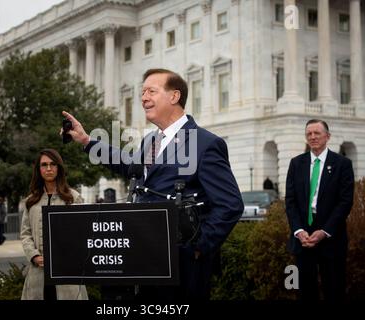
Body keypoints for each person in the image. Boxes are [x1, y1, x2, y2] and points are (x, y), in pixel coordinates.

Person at [62, 68, 243, 300]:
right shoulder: (151, 141)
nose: (143, 97)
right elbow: (129, 165)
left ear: (174, 96)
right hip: (146, 257)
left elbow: (230, 204)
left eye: (151, 91)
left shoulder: (205, 143)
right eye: (142, 92)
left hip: (184, 268)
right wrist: (87, 141)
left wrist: (197, 248)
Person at [285, 119, 354, 301]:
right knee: (305, 291)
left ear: (327, 136)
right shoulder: (296, 164)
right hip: (303, 237)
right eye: (309, 134)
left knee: (334, 289)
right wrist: (298, 231)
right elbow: (290, 201)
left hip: (331, 236)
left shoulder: (342, 164)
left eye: (317, 133)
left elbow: (345, 202)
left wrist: (324, 231)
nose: (313, 137)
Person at [20, 148, 89, 300]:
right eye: (44, 165)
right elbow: (25, 234)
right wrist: (34, 256)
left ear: (59, 168)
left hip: (67, 274)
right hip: (37, 274)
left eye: (53, 164)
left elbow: (81, 233)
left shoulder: (73, 198)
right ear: (39, 170)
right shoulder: (31, 201)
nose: (49, 168)